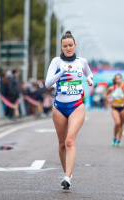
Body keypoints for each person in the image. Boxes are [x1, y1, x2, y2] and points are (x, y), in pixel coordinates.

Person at [45, 30, 93, 189]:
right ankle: (68, 174)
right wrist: (62, 72)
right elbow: (47, 83)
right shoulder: (56, 62)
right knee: (61, 144)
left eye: (70, 45)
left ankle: (67, 177)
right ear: (61, 46)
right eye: (65, 46)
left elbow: (89, 73)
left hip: (76, 106)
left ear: (75, 45)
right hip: (59, 106)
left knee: (69, 141)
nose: (68, 48)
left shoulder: (82, 61)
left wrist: (89, 78)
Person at [105, 74, 124, 147]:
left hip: (123, 108)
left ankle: (119, 140)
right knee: (117, 122)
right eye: (117, 79)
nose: (118, 80)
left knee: (121, 124)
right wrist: (108, 99)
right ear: (115, 80)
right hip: (114, 107)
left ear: (121, 79)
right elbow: (106, 94)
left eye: (119, 78)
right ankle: (114, 137)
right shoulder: (112, 88)